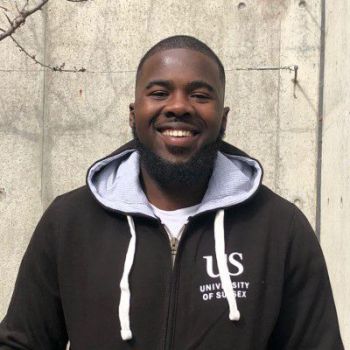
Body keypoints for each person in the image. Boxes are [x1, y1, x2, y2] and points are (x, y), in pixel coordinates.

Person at [0, 35, 344, 350]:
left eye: (200, 95)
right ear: (134, 115)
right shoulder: (70, 222)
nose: (179, 106)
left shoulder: (280, 228)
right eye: (160, 93)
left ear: (223, 119)